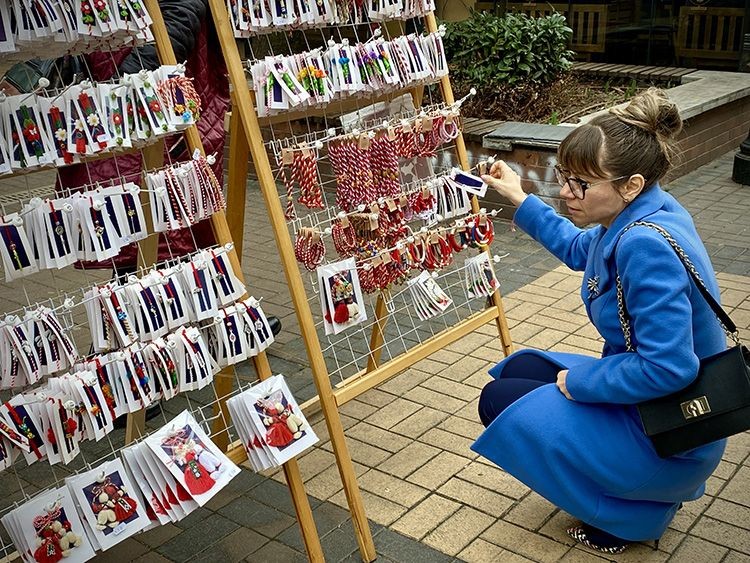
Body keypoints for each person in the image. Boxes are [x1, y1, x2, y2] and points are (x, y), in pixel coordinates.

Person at [472, 89, 726, 554]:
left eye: (581, 184)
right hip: (658, 401)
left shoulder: (643, 245)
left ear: (629, 184)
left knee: (500, 403)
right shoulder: (646, 210)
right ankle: (634, 492)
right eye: (565, 177)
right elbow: (578, 250)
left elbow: (670, 368)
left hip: (673, 428)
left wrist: (580, 382)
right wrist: (517, 196)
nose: (566, 192)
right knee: (519, 375)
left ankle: (624, 519)